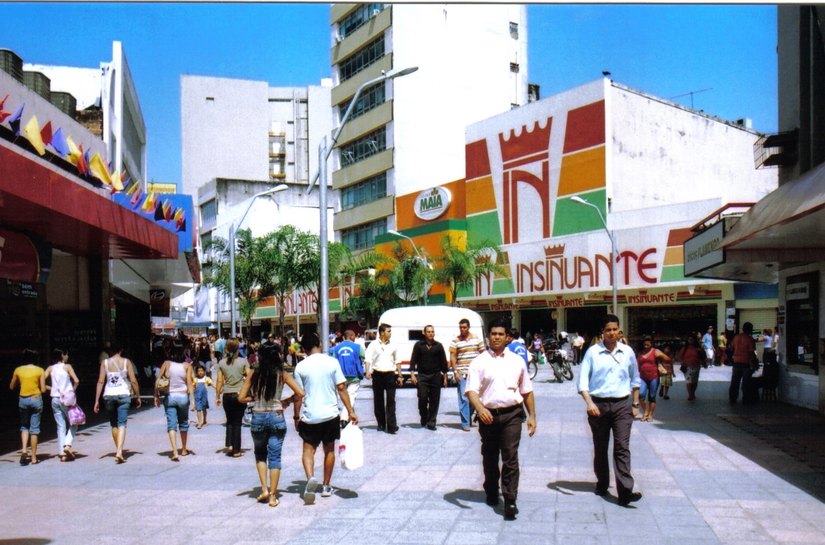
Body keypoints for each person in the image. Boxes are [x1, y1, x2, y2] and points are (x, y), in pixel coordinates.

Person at [465, 318, 537, 521]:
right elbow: (471, 390)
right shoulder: (479, 362)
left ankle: (510, 499)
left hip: (512, 415)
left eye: (500, 334)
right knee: (489, 456)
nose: (496, 337)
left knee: (510, 456)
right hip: (487, 416)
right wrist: (479, 408)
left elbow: (527, 390)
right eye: (493, 334)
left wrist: (532, 416)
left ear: (507, 337)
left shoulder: (516, 361)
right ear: (488, 337)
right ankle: (491, 489)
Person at [577, 314, 642, 507]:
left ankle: (625, 492)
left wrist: (636, 404)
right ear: (602, 333)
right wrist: (590, 404)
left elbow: (635, 379)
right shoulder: (593, 353)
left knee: (622, 447)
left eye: (615, 329)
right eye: (608, 330)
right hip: (598, 405)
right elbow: (582, 383)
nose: (612, 333)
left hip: (623, 405)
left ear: (619, 331)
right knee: (601, 446)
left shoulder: (627, 351)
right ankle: (602, 483)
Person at [294, 333, 358, 504]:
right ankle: (326, 486)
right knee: (329, 450)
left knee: (308, 450)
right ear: (319, 345)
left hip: (310, 416)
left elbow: (298, 395)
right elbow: (342, 388)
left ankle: (310, 478)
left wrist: (296, 416)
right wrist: (350, 411)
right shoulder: (332, 362)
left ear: (304, 349)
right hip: (330, 414)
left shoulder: (300, 367)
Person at [238, 343, 304, 507]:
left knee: (260, 454)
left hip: (258, 416)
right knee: (275, 457)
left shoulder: (254, 373)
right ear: (277, 356)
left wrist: (254, 399)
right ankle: (273, 496)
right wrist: (286, 401)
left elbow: (241, 397)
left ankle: (264, 489)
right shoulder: (282, 374)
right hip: (276, 416)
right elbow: (300, 393)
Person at [94, 345, 142, 463]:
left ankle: (118, 450)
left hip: (109, 395)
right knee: (122, 424)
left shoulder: (104, 363)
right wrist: (138, 396)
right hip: (123, 394)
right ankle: (119, 452)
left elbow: (100, 381)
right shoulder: (126, 362)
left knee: (114, 423)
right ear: (121, 350)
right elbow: (133, 380)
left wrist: (96, 400)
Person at [154, 340, 195, 461]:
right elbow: (190, 383)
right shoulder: (187, 366)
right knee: (183, 423)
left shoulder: (166, 364)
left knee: (171, 424)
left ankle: (174, 451)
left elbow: (158, 381)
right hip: (183, 397)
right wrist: (192, 401)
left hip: (170, 396)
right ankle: (183, 449)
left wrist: (156, 395)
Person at [43, 349, 80, 462]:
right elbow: (77, 381)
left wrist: (52, 389)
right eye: (66, 354)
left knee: (60, 426)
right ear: (62, 355)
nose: (67, 356)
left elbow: (41, 382)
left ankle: (62, 453)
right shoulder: (67, 366)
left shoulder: (50, 368)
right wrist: (72, 391)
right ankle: (67, 445)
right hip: (66, 399)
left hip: (54, 399)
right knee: (74, 423)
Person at [364, 323, 402, 434]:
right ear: (382, 333)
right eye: (388, 331)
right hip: (378, 375)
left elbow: (397, 360)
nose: (390, 333)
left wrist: (399, 375)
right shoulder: (373, 345)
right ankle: (381, 423)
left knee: (391, 400)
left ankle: (392, 426)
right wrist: (367, 371)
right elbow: (368, 359)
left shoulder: (393, 345)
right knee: (378, 400)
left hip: (390, 374)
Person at [410, 325, 449, 430]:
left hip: (435, 376)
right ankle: (424, 416)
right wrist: (412, 374)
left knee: (434, 400)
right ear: (424, 333)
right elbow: (413, 360)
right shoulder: (418, 345)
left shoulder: (439, 346)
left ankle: (432, 422)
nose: (431, 333)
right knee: (422, 398)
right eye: (428, 332)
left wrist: (445, 377)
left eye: (432, 332)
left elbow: (444, 363)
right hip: (422, 376)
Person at [450, 318, 486, 431]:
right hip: (462, 373)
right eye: (460, 327)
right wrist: (455, 371)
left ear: (468, 327)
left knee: (473, 398)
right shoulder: (456, 340)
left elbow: (483, 354)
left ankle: (469, 417)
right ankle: (465, 423)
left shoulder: (477, 339)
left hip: (475, 374)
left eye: (464, 327)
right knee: (463, 398)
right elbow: (453, 356)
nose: (462, 329)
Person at [10, 349, 45, 465]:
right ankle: (34, 458)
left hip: (23, 400)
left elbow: (11, 386)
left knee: (24, 426)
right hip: (35, 399)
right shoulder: (40, 370)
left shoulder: (18, 370)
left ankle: (24, 450)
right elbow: (43, 389)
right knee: (34, 429)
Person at [216, 339, 250, 457]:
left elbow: (220, 380)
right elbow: (249, 376)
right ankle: (236, 450)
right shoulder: (243, 361)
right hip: (239, 394)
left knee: (229, 420)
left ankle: (230, 444)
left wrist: (217, 395)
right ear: (237, 349)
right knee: (237, 422)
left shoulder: (222, 362)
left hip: (227, 395)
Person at [332, 330, 364, 426]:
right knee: (351, 396)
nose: (355, 337)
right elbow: (362, 358)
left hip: (340, 376)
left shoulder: (336, 348)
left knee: (344, 397)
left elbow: (333, 361)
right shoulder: (358, 347)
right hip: (354, 376)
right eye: (354, 335)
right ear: (351, 336)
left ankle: (350, 416)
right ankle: (344, 417)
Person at [636, 336, 671, 422]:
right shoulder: (640, 353)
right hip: (642, 378)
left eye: (648, 342)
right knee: (641, 395)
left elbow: (668, 359)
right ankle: (645, 412)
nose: (646, 343)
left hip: (654, 377)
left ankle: (650, 415)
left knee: (652, 396)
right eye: (645, 341)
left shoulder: (656, 351)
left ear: (651, 343)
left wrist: (661, 362)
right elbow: (637, 365)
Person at [730, 322, 757, 404]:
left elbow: (731, 348)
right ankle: (745, 399)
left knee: (735, 382)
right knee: (746, 383)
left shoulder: (736, 337)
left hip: (736, 362)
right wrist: (755, 361)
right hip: (746, 363)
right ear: (749, 329)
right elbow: (752, 352)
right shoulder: (750, 339)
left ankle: (732, 398)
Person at [678, 334, 706, 401]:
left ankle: (693, 393)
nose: (690, 341)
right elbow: (680, 356)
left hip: (696, 366)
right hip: (687, 366)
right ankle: (690, 395)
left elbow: (703, 356)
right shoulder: (685, 348)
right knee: (689, 381)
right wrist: (682, 362)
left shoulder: (698, 348)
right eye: (689, 339)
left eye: (691, 339)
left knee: (694, 381)